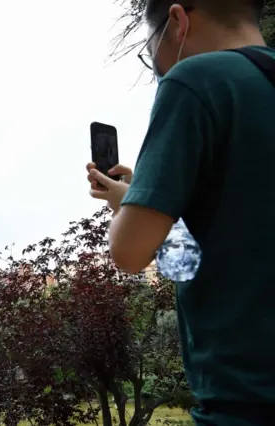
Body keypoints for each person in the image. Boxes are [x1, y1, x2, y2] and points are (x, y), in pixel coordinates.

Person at [87, 0, 275, 424]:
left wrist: (128, 211)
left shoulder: (196, 80)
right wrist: (145, 198)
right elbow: (226, 236)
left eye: (150, 47)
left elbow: (130, 252)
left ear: (178, 21)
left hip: (247, 398)